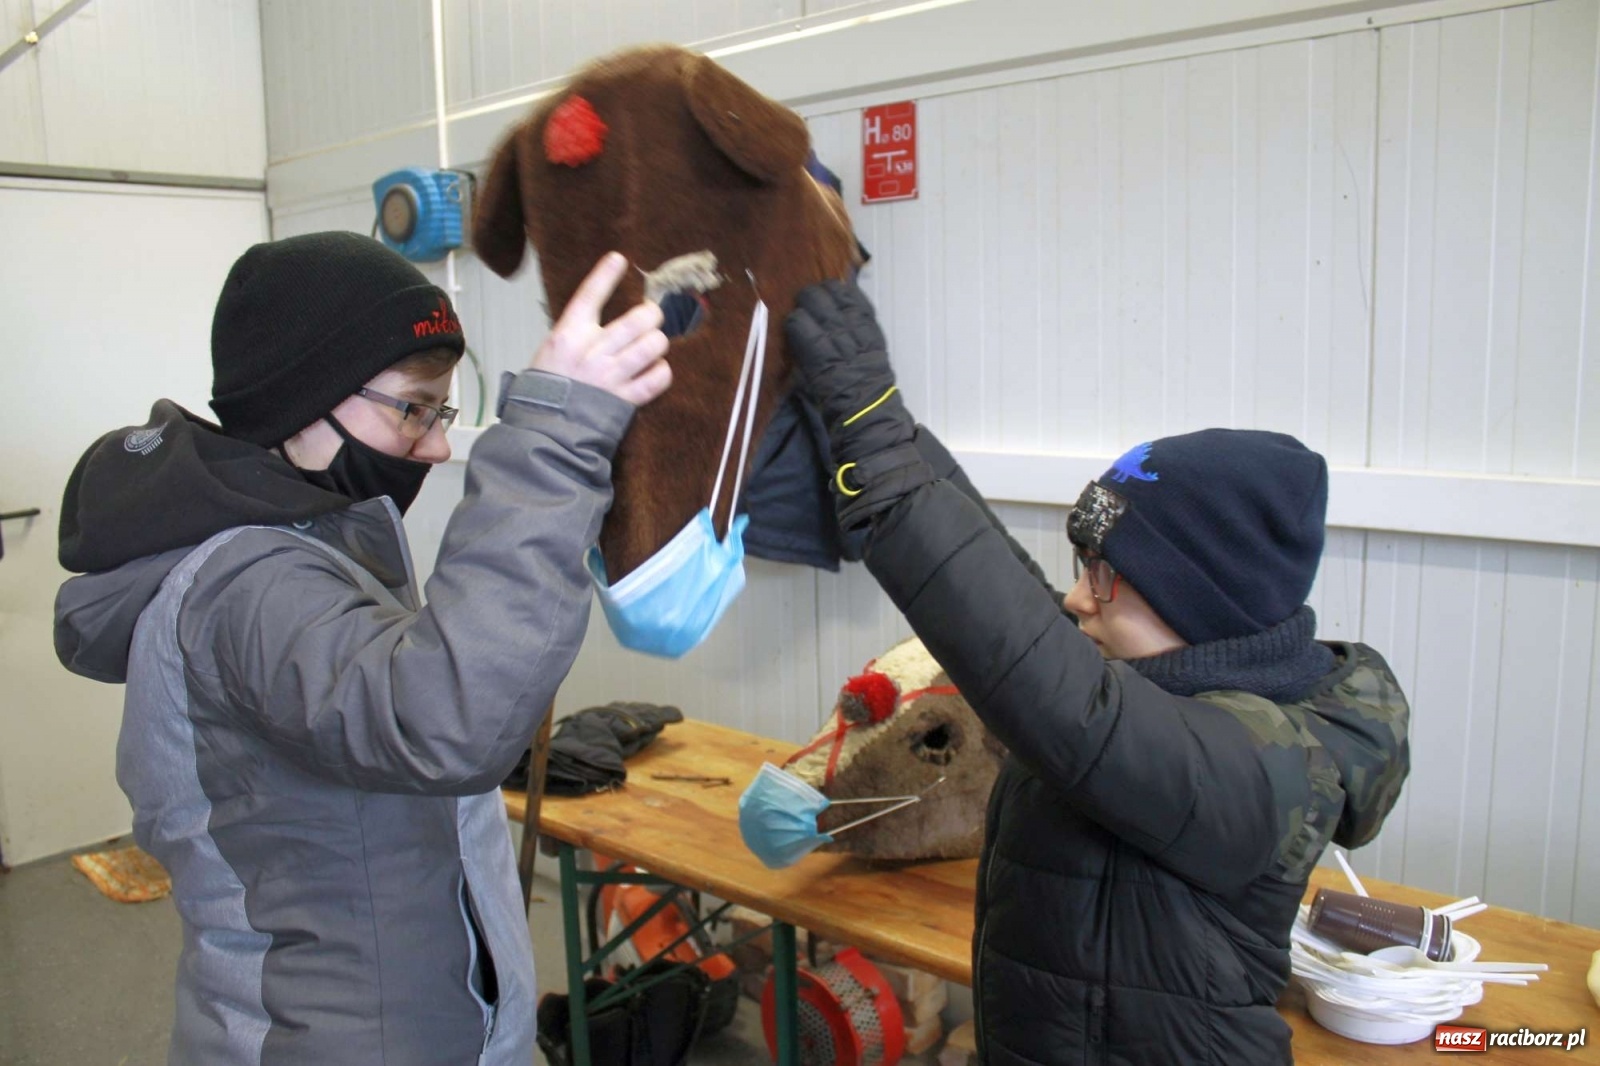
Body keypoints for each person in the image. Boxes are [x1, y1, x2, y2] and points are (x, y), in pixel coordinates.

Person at [54, 232, 669, 1065]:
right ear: (301, 402)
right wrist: (553, 444)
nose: (437, 445)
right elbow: (443, 721)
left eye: (441, 412)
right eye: (414, 409)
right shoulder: (245, 588)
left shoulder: (308, 553)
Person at [784, 279, 1411, 1065]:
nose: (1079, 596)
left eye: (1104, 573)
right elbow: (1017, 606)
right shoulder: (1149, 675)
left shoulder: (1271, 769)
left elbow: (1059, 694)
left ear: (1200, 598)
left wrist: (877, 455)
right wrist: (880, 430)